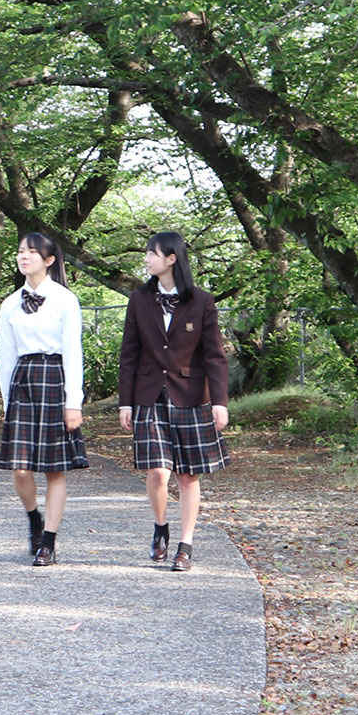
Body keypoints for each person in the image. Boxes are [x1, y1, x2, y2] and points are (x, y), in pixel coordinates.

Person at [117, 231, 230, 572]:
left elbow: (215, 356)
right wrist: (125, 402)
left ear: (171, 259)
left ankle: (186, 544)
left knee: (188, 476)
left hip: (192, 397)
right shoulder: (139, 299)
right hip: (149, 396)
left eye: (152, 254)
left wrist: (219, 401)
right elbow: (129, 354)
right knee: (157, 472)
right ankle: (160, 527)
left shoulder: (201, 301)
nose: (146, 259)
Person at [0, 232, 88, 567]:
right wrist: (8, 403)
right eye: (21, 251)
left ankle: (48, 541)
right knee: (21, 469)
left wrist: (73, 401)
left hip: (55, 379)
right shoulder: (9, 304)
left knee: (54, 469)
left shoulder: (65, 299)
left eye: (32, 252)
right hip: (23, 381)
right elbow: (5, 356)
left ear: (49, 260)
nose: (24, 257)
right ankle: (33, 517)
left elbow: (73, 353)